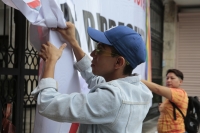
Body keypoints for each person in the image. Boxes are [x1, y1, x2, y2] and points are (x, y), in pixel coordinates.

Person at [31, 22, 153, 133]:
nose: (93, 53)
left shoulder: (113, 98)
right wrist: (73, 42)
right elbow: (95, 79)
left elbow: (48, 104)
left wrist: (50, 61)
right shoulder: (140, 91)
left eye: (100, 49)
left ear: (118, 63)